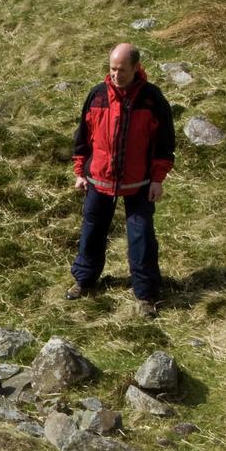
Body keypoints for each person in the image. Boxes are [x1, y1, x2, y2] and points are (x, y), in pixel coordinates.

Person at [67, 43, 175, 318]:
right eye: (112, 69)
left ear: (136, 68)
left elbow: (164, 144)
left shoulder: (152, 99)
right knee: (92, 232)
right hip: (99, 180)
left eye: (122, 70)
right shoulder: (97, 95)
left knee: (141, 237)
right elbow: (83, 138)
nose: (116, 75)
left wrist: (157, 179)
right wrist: (80, 172)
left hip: (139, 183)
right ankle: (84, 280)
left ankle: (146, 294)